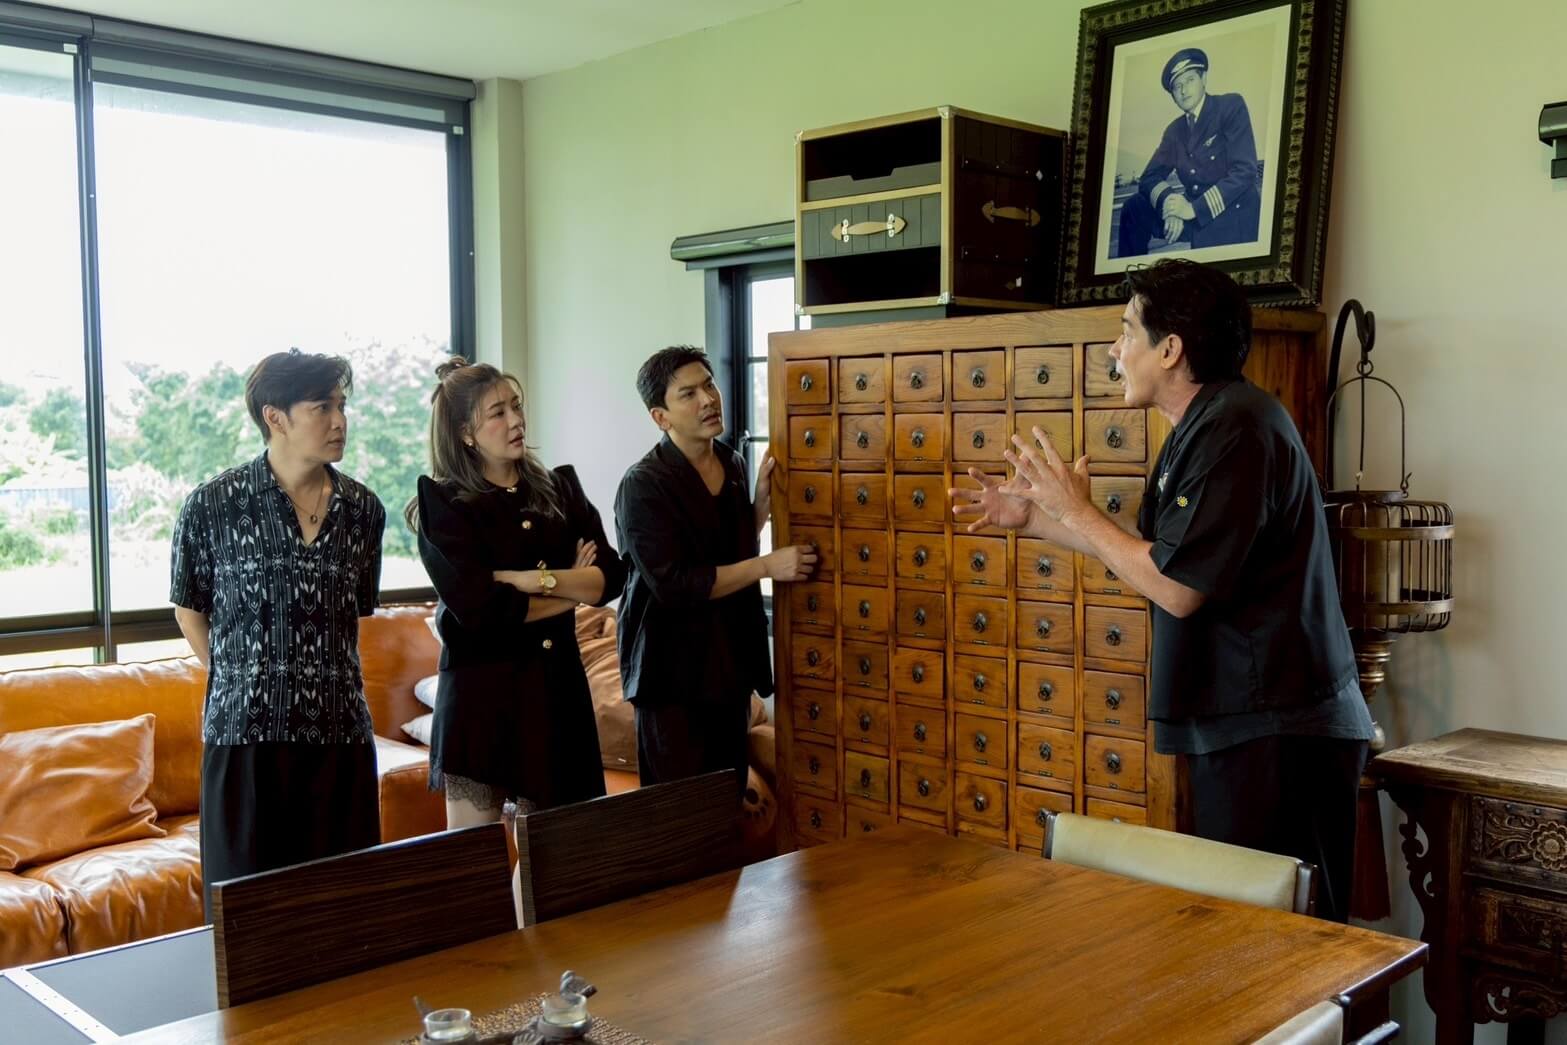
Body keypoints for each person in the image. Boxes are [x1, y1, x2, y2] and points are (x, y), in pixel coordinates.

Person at [950, 259, 1373, 922]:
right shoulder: (1206, 424)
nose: (1114, 351)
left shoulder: (1236, 429)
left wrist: (1077, 511)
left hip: (1279, 729)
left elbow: (1177, 588)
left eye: (1126, 332)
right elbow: (1158, 558)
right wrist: (1038, 519)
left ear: (1170, 348)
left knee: (1286, 947)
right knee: (1243, 939)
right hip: (1248, 724)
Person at [170, 349, 386, 918]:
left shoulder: (365, 511)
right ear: (276, 417)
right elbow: (189, 611)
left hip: (340, 738)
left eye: (342, 406)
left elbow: (356, 612)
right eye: (322, 408)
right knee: (245, 925)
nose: (340, 421)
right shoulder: (212, 505)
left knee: (343, 919)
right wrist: (238, 676)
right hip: (244, 741)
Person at [409, 359, 624, 835]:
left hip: (556, 693)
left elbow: (611, 578)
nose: (516, 420)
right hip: (480, 701)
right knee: (476, 861)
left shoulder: (560, 489)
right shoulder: (444, 504)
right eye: (498, 413)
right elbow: (481, 610)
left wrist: (533, 581)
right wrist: (572, 586)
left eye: (517, 406)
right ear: (465, 433)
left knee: (562, 857)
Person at [615, 346, 815, 789]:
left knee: (728, 801)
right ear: (660, 417)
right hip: (670, 676)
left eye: (709, 385)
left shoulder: (731, 462)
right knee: (680, 813)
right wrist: (767, 565)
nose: (708, 399)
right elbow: (677, 584)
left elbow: (726, 553)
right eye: (688, 394)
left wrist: (758, 510)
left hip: (727, 666)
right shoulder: (642, 484)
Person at [1117, 47, 1261, 258]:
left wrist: (1193, 209)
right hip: (1190, 210)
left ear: (1204, 79)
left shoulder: (1229, 106)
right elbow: (1149, 177)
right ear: (1173, 96)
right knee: (1134, 208)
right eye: (1177, 86)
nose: (1184, 90)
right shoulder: (1174, 131)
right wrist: (1170, 205)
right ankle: (1130, 276)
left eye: (1190, 80)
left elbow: (1245, 171)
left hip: (1231, 211)